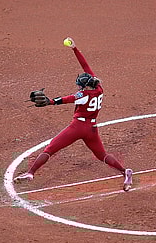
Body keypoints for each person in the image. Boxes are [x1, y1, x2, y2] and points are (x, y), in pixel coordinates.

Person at [14, 37, 133, 192]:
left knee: (50, 149)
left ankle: (30, 173)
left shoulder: (82, 95)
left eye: (79, 85)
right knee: (102, 155)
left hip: (77, 127)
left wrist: (49, 101)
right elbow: (85, 66)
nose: (77, 86)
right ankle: (125, 172)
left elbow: (64, 100)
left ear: (84, 86)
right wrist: (75, 49)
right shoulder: (99, 88)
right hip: (91, 128)